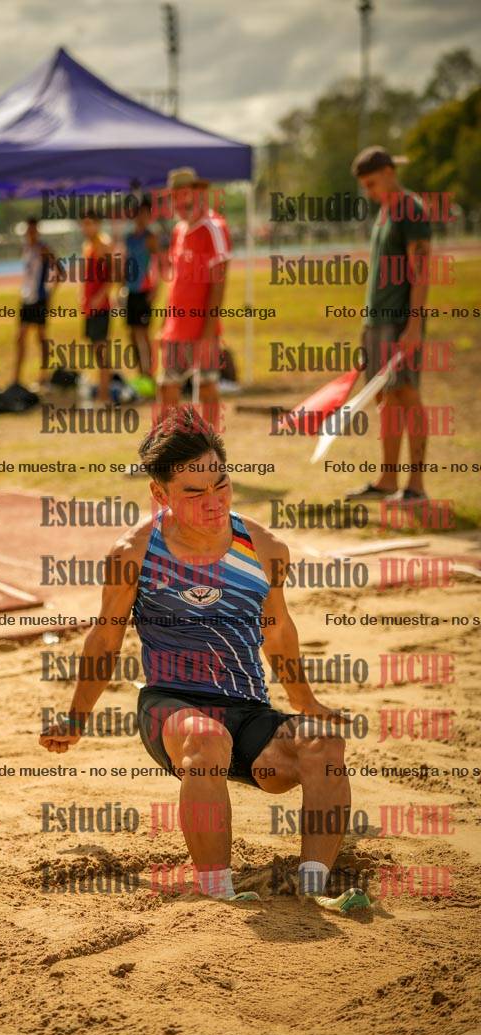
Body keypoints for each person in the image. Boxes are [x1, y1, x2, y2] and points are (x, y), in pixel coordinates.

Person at [40, 406, 370, 913]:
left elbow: (278, 631)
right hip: (172, 708)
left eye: (221, 484)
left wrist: (307, 703)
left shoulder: (264, 548)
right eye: (194, 492)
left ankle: (312, 889)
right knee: (206, 738)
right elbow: (105, 639)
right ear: (160, 494)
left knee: (324, 744)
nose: (213, 501)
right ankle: (217, 892)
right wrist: (76, 718)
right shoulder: (134, 553)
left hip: (247, 711)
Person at [345, 146, 433, 505]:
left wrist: (413, 326)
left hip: (399, 322)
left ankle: (416, 487)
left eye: (372, 184)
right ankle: (387, 480)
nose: (369, 192)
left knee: (407, 395)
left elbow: (421, 270)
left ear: (389, 173)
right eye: (364, 186)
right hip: (377, 322)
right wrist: (367, 324)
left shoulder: (411, 209)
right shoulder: (385, 211)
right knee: (385, 400)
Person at [157, 168, 230, 429]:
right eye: (175, 197)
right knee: (166, 388)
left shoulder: (213, 227)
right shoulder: (179, 230)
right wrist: (164, 325)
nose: (180, 203)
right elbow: (176, 283)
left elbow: (219, 283)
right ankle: (167, 448)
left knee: (207, 387)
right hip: (176, 326)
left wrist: (209, 332)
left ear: (198, 194)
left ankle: (211, 447)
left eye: (184, 195)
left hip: (202, 327)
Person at [14, 217, 55, 385]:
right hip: (26, 299)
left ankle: (44, 376)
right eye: (28, 230)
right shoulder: (25, 248)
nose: (30, 234)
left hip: (39, 299)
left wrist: (50, 294)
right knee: (20, 338)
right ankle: (16, 378)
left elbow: (58, 271)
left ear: (37, 231)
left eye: (33, 230)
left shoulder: (43, 248)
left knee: (41, 338)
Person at [80, 212, 113, 404]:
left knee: (102, 352)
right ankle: (101, 391)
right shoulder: (88, 245)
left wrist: (100, 296)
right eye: (84, 224)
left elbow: (113, 275)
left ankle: (104, 395)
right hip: (89, 308)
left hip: (101, 308)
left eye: (89, 223)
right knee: (95, 350)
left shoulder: (103, 244)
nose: (86, 228)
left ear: (98, 224)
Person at [124, 195, 158, 378]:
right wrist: (122, 286)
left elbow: (158, 263)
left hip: (145, 291)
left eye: (145, 214)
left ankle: (149, 374)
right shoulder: (129, 238)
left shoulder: (150, 238)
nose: (142, 217)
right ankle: (140, 373)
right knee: (132, 334)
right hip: (131, 291)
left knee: (143, 334)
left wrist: (155, 289)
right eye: (139, 213)